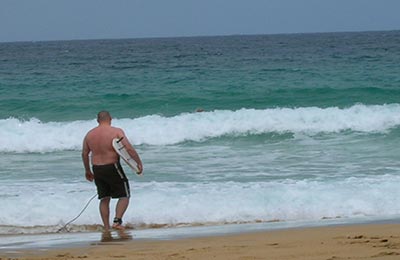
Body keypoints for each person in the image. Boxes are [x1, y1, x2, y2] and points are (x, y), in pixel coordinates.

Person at [82, 111, 143, 231]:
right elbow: (128, 148)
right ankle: (117, 221)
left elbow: (84, 153)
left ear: (97, 120)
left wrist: (87, 170)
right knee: (124, 195)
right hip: (112, 166)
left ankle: (106, 227)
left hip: (97, 168)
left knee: (104, 198)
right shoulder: (115, 131)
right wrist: (138, 163)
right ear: (110, 118)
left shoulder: (89, 134)